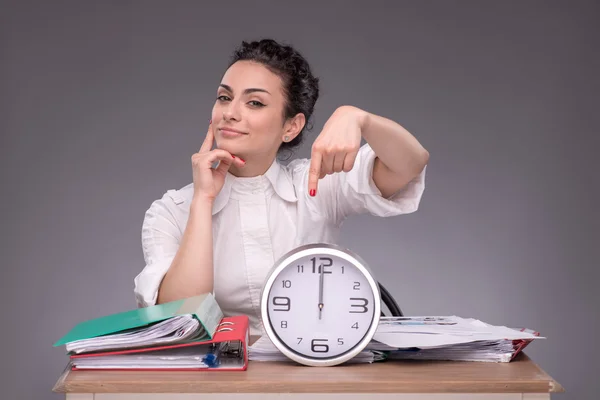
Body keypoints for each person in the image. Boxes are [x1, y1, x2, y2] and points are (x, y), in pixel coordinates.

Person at [134, 39, 429, 336]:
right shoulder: (172, 211)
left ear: (291, 127)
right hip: (219, 375)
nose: (230, 113)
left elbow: (409, 164)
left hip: (315, 370)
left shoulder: (316, 184)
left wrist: (359, 118)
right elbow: (181, 319)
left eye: (255, 102)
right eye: (224, 97)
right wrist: (202, 199)